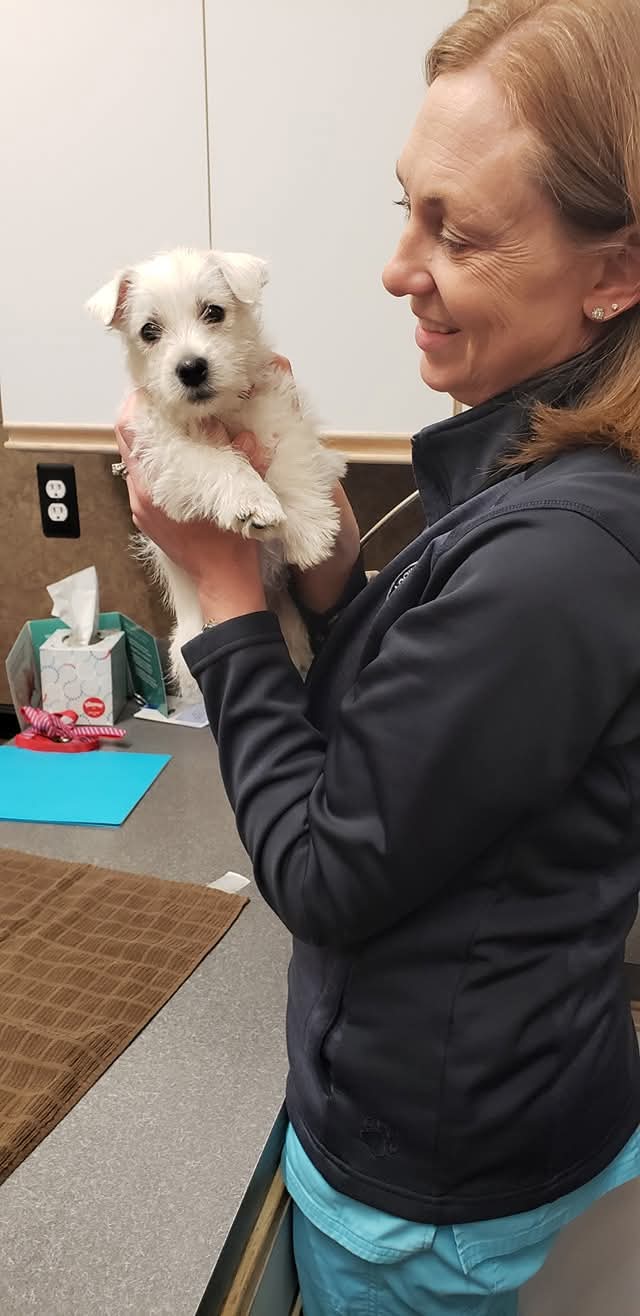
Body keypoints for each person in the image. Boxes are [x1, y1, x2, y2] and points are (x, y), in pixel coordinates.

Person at [115, 1, 640, 1310]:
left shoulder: (557, 552)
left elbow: (327, 874)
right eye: (406, 208)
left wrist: (229, 599)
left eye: (453, 230)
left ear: (614, 273)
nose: (398, 265)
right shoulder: (541, 476)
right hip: (518, 1097)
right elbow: (448, 759)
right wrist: (344, 588)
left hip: (428, 1187)